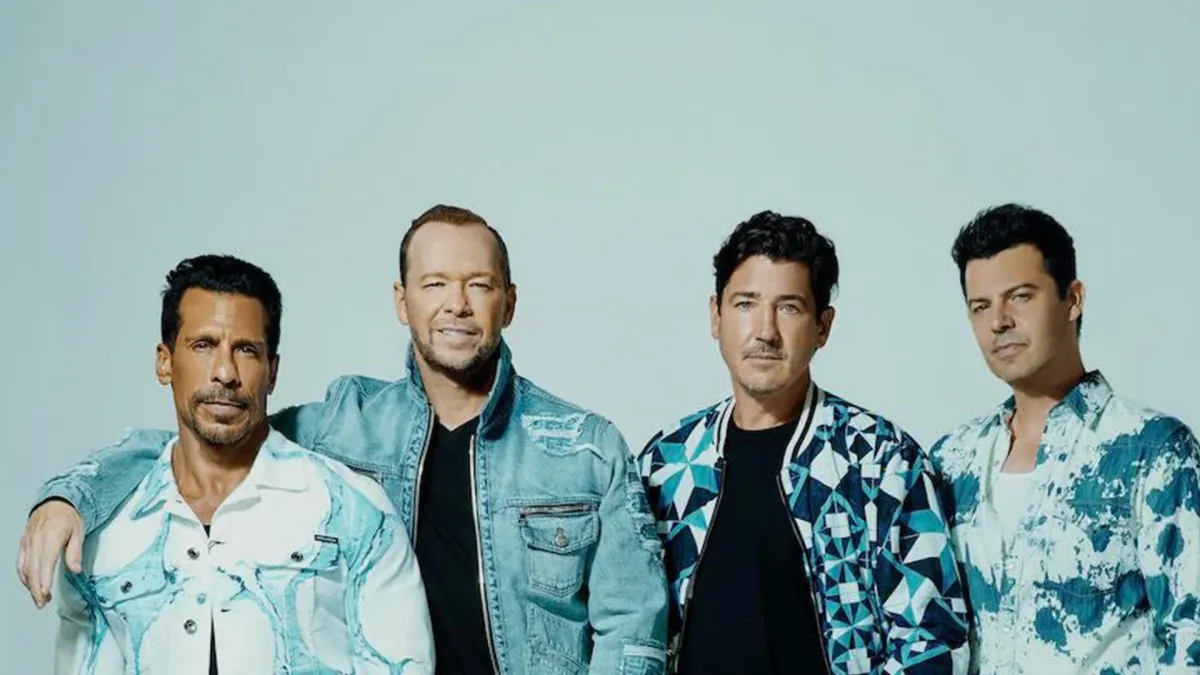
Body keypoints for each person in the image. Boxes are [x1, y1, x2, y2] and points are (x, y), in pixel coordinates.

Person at [22, 205, 669, 674]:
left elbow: (634, 627)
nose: (457, 304)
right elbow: (207, 434)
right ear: (402, 301)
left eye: (479, 284)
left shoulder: (585, 448)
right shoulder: (345, 422)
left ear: (510, 301)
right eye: (435, 284)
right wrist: (69, 497)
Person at [52, 254, 434, 674]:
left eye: (246, 350)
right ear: (165, 361)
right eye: (203, 345)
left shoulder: (355, 513)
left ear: (272, 371)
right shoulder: (103, 533)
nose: (225, 372)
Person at [637, 211, 970, 675]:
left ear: (823, 327)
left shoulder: (881, 461)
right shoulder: (667, 463)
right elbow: (630, 627)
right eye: (745, 304)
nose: (765, 331)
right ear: (716, 315)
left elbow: (933, 642)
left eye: (789, 307)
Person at [929, 203, 1200, 674]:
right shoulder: (952, 462)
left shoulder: (1152, 450)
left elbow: (1190, 632)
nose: (998, 321)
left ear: (1073, 300)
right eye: (980, 306)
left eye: (1020, 297)